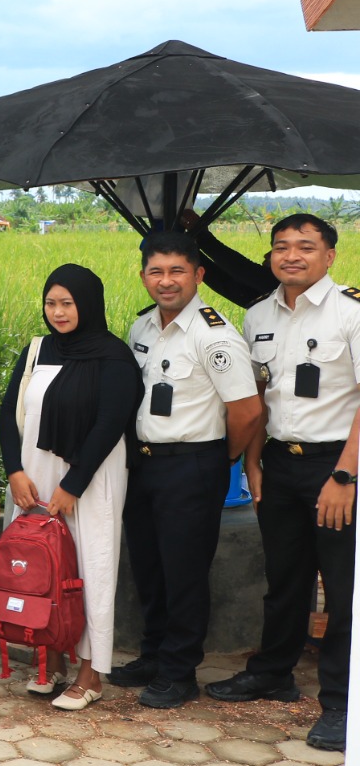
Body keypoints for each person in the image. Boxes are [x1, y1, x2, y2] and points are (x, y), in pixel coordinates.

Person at [207, 213, 360, 752]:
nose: (291, 255)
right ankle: (274, 672)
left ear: (329, 255)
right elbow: (259, 398)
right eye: (281, 246)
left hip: (336, 466)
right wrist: (254, 465)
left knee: (342, 589)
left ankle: (342, 703)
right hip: (279, 464)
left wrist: (345, 474)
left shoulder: (351, 313)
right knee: (285, 578)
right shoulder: (257, 316)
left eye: (305, 246)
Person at [106, 235, 259, 709]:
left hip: (193, 464)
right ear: (143, 276)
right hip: (144, 464)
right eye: (156, 271)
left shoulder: (215, 336)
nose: (166, 281)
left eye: (177, 271)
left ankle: (179, 671)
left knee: (184, 572)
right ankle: (152, 655)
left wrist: (221, 458)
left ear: (198, 275)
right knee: (149, 567)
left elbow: (248, 411)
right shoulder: (143, 327)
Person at [0, 264, 143, 711]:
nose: (58, 312)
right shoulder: (37, 350)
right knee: (41, 566)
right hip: (33, 478)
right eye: (51, 303)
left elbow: (110, 424)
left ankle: (91, 674)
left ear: (89, 304)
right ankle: (51, 659)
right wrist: (14, 472)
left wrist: (73, 484)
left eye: (68, 303)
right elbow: (8, 413)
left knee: (89, 567)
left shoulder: (114, 357)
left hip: (91, 480)